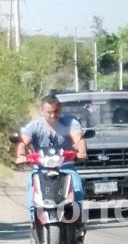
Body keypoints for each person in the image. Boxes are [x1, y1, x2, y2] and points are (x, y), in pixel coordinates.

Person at [15, 94, 88, 239]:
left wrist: (82, 152)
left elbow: (78, 139)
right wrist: (21, 155)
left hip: (65, 168)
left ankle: (78, 224)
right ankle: (34, 221)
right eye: (49, 112)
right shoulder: (34, 126)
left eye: (56, 111)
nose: (53, 115)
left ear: (60, 110)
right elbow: (23, 142)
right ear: (42, 111)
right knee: (32, 194)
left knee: (77, 190)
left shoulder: (70, 123)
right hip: (40, 170)